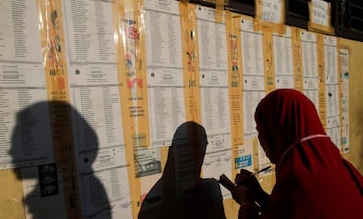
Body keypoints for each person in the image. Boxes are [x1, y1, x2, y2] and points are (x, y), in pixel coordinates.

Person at [229, 89, 363, 219]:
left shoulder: (295, 182)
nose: (259, 139)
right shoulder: (343, 169)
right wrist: (259, 194)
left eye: (261, 131)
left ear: (276, 134)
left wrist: (246, 203)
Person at [138, 121, 227, 219]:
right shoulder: (209, 190)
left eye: (200, 147)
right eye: (191, 146)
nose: (198, 154)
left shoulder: (153, 198)